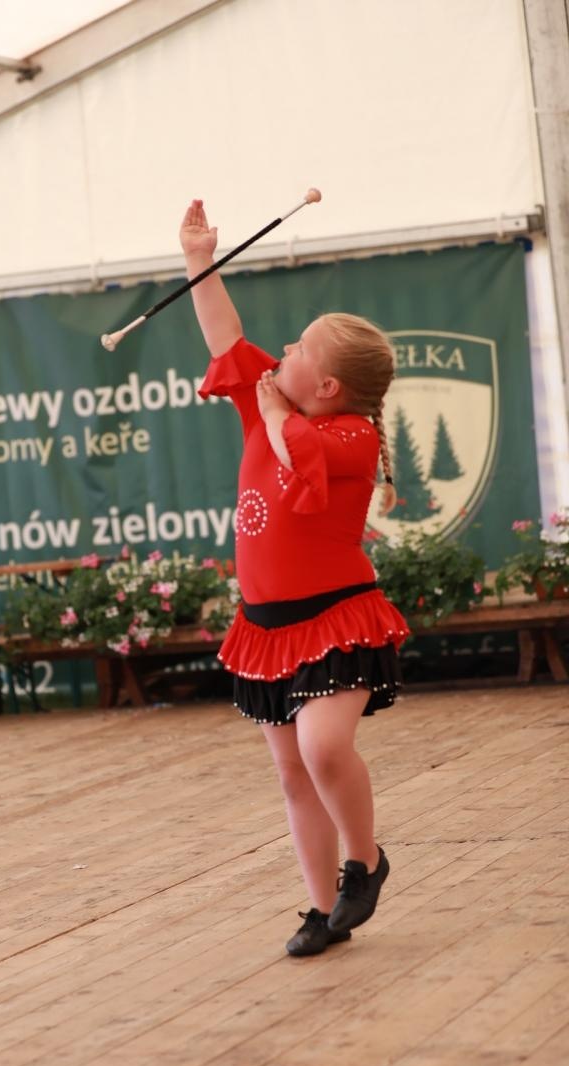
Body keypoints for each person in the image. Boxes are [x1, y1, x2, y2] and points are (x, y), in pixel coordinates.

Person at [180, 199, 410, 957]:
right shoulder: (274, 405)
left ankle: (364, 861)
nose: (286, 347)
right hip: (268, 626)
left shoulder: (351, 433)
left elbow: (294, 446)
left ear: (330, 387)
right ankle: (320, 909)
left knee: (322, 748)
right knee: (292, 771)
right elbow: (225, 334)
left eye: (304, 347)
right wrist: (198, 261)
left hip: (336, 615)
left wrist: (271, 406)